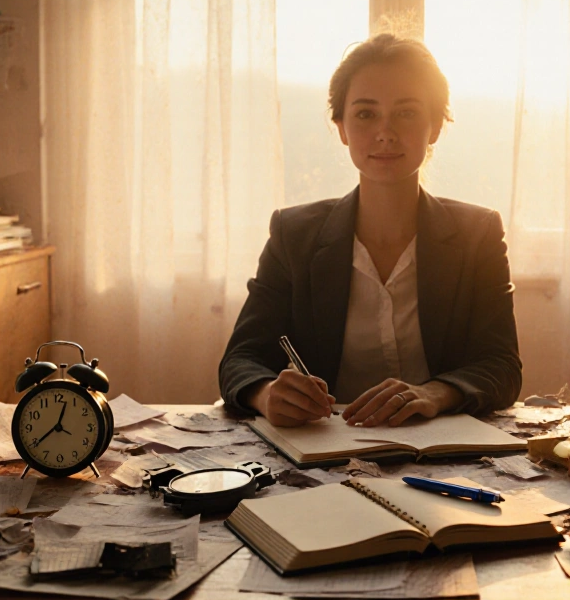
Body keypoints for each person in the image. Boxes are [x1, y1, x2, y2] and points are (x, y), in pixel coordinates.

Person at [219, 32, 521, 428]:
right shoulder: (294, 234)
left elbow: (501, 366)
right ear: (341, 128)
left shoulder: (478, 234)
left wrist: (433, 393)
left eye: (407, 112)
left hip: (438, 449)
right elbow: (240, 359)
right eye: (365, 114)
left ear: (435, 127)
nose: (386, 132)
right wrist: (266, 393)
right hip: (322, 446)